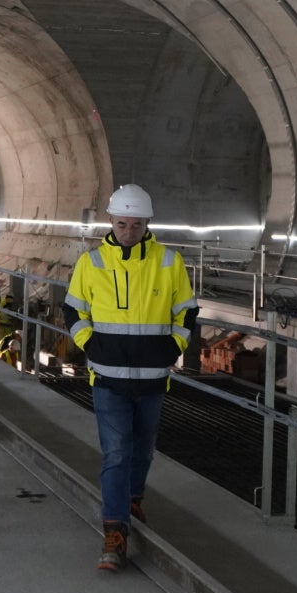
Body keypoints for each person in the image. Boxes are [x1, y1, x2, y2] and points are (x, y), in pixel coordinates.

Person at [62, 183, 197, 572]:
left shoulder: (169, 262)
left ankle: (133, 497)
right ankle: (114, 532)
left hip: (154, 377)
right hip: (108, 378)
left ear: (148, 224)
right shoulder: (92, 263)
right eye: (121, 224)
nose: (127, 232)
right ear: (110, 221)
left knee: (144, 449)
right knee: (117, 452)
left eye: (136, 225)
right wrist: (90, 346)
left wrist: (173, 348)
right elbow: (73, 311)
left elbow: (186, 312)